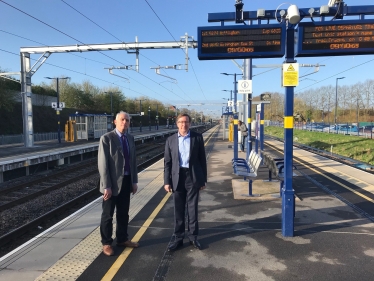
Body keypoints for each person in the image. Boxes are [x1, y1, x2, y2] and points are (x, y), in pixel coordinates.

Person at [164, 113, 207, 251]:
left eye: (187, 122)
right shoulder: (170, 140)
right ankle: (178, 238)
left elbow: (202, 160)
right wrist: (166, 181)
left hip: (193, 177)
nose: (184, 124)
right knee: (179, 210)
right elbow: (167, 163)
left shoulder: (197, 137)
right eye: (181, 122)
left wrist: (203, 180)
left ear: (190, 123)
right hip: (177, 177)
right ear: (177, 124)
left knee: (193, 209)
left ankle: (193, 237)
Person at [98, 111, 139, 256]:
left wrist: (134, 181)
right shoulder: (107, 139)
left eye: (127, 120)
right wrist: (106, 186)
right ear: (115, 122)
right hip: (111, 184)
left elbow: (133, 161)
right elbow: (103, 165)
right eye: (122, 120)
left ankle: (122, 239)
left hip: (127, 182)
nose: (125, 122)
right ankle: (107, 243)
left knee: (123, 213)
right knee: (107, 215)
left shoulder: (130, 138)